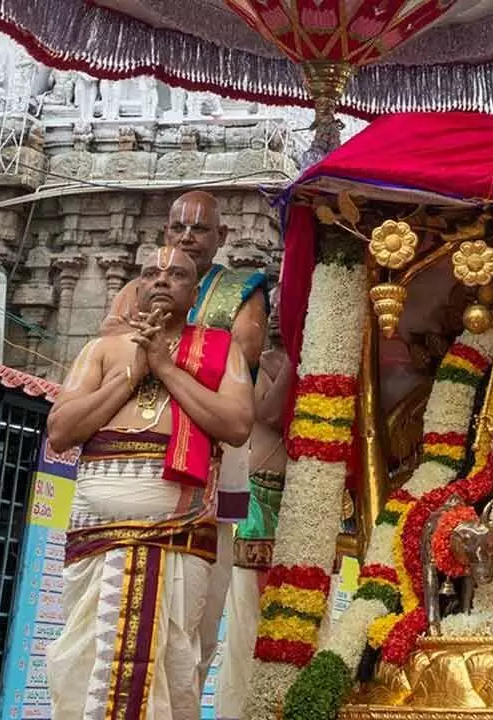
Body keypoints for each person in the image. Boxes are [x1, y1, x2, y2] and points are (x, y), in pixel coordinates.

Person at [46, 247, 254, 719]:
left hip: (177, 540)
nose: (162, 280)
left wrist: (165, 368)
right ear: (137, 286)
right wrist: (133, 374)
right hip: (95, 542)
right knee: (83, 661)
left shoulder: (222, 350)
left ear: (196, 292)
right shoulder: (101, 350)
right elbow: (61, 431)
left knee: (171, 660)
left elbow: (237, 425)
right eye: (150, 274)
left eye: (177, 274)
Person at [101, 190, 268, 683]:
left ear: (222, 237)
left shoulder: (244, 287)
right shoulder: (141, 283)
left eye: (199, 229)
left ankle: (182, 689)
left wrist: (167, 353)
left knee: (198, 599)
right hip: (132, 455)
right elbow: (109, 335)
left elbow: (243, 348)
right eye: (178, 227)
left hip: (215, 451)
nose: (187, 237)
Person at [214, 289, 291, 717]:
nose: (277, 320)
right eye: (272, 312)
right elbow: (268, 413)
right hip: (258, 495)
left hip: (296, 497)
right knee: (246, 617)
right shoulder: (257, 362)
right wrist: (298, 364)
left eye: (287, 311)